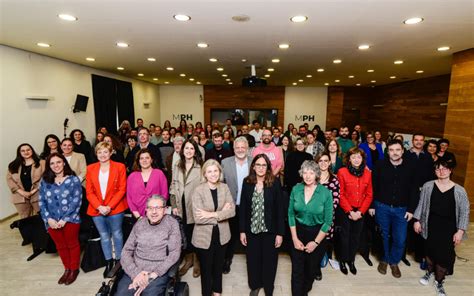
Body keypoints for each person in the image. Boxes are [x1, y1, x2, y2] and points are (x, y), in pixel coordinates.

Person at [414, 159, 470, 296]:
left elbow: (465, 211)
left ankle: (439, 281)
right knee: (429, 252)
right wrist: (417, 220)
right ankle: (429, 273)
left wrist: (460, 231)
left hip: (449, 228)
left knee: (444, 256)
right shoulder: (428, 186)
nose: (441, 171)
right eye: (438, 169)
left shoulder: (459, 190)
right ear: (435, 171)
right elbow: (421, 204)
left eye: (444, 169)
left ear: (450, 170)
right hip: (430, 224)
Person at [371, 139, 418, 278]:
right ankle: (385, 260)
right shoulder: (379, 165)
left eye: (398, 150)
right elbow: (373, 187)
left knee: (400, 238)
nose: (395, 153)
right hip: (382, 207)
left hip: (402, 209)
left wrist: (411, 209)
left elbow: (414, 190)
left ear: (402, 151)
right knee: (383, 236)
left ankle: (394, 261)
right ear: (388, 152)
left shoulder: (410, 167)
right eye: (391, 150)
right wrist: (372, 205)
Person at [116, 195, 181, 296]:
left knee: (150, 294)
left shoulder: (172, 224)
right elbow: (126, 251)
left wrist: (153, 275)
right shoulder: (140, 224)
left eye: (158, 208)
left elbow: (174, 253)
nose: (154, 212)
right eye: (150, 208)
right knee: (122, 293)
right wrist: (136, 273)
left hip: (158, 271)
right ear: (146, 210)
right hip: (136, 269)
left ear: (164, 210)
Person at [239, 154, 284, 296]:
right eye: (258, 165)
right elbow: (243, 208)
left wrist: (280, 233)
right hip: (251, 230)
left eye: (264, 165)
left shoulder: (275, 182)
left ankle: (268, 286)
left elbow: (279, 209)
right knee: (253, 259)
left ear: (268, 167)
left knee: (270, 260)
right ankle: (255, 285)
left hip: (270, 230)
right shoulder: (247, 182)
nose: (261, 168)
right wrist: (242, 231)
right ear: (253, 166)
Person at [288, 160, 333, 295]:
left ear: (317, 174)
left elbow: (327, 222)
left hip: (316, 233)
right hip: (298, 230)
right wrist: (295, 239)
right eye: (305, 172)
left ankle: (305, 291)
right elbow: (290, 215)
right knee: (297, 269)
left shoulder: (325, 193)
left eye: (311, 172)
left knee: (311, 269)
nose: (307, 176)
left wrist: (315, 242)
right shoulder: (296, 189)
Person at [192, 159, 235, 296]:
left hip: (222, 235)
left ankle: (217, 292)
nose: (213, 174)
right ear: (204, 174)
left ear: (219, 172)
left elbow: (232, 211)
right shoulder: (198, 190)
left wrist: (210, 214)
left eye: (215, 171)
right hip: (204, 237)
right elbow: (198, 217)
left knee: (218, 267)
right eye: (209, 171)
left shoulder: (224, 188)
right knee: (206, 270)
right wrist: (222, 213)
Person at [38, 153, 82, 285]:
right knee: (60, 246)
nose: (55, 165)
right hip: (52, 221)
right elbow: (41, 201)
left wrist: (65, 219)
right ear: (49, 166)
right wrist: (48, 219)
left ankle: (74, 269)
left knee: (72, 244)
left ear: (64, 163)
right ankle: (67, 269)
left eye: (58, 162)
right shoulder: (45, 182)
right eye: (52, 163)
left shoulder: (73, 180)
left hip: (70, 219)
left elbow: (77, 201)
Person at [85, 142, 128, 277]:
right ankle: (108, 262)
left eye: (105, 152)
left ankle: (119, 262)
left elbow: (122, 189)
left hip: (115, 207)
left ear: (111, 153)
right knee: (104, 236)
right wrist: (99, 206)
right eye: (99, 152)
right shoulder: (90, 168)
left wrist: (109, 206)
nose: (102, 155)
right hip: (96, 208)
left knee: (117, 234)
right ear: (96, 154)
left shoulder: (119, 167)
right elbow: (89, 192)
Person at [169, 139, 203, 278]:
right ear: (182, 150)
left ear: (195, 152)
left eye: (191, 149)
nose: (189, 151)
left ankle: (197, 262)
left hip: (195, 206)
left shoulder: (201, 166)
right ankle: (188, 261)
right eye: (186, 148)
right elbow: (172, 186)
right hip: (180, 205)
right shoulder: (177, 165)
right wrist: (174, 205)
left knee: (197, 234)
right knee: (186, 234)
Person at [337, 147, 373, 275]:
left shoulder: (368, 173)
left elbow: (369, 195)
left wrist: (361, 212)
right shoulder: (342, 172)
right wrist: (350, 211)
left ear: (363, 159)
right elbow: (340, 194)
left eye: (359, 157)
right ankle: (342, 260)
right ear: (349, 159)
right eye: (353, 157)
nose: (356, 160)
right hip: (346, 210)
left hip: (360, 211)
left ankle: (351, 260)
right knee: (344, 237)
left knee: (355, 237)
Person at [221, 137, 253, 274]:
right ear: (233, 149)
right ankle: (227, 260)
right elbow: (220, 184)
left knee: (251, 235)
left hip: (250, 206)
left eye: (243, 147)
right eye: (237, 147)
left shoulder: (254, 162)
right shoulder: (225, 163)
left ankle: (252, 262)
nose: (240, 150)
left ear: (247, 149)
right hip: (231, 205)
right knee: (230, 235)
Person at [127, 148, 169, 219]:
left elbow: (164, 195)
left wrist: (157, 212)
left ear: (151, 160)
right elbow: (129, 197)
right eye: (141, 158)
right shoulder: (132, 176)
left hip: (156, 214)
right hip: (137, 215)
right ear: (138, 161)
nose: (144, 160)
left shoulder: (159, 174)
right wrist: (137, 215)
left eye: (147, 158)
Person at [6, 143, 45, 219]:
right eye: (23, 151)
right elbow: (9, 179)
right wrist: (21, 192)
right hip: (20, 197)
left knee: (42, 217)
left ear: (32, 151)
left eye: (28, 150)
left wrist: (32, 192)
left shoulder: (42, 163)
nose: (26, 152)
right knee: (25, 219)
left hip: (38, 194)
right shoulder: (13, 165)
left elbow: (45, 177)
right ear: (19, 153)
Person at [316, 153, 340, 260]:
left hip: (328, 214)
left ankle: (325, 255)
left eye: (326, 161)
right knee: (315, 237)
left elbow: (336, 199)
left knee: (326, 237)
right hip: (314, 215)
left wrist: (326, 212)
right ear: (317, 163)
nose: (323, 163)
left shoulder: (334, 179)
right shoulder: (312, 177)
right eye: (320, 161)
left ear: (329, 163)